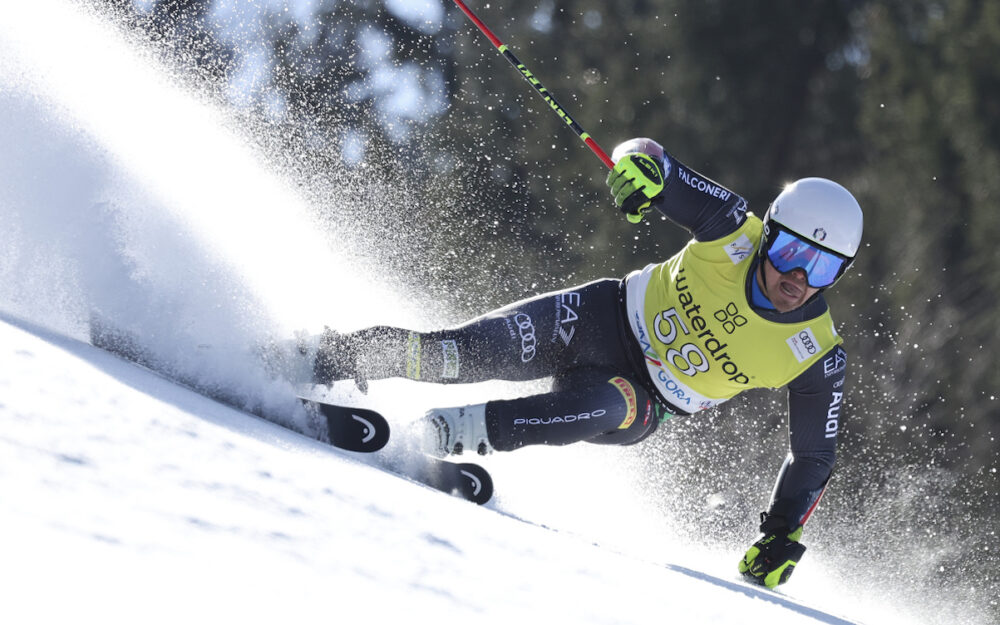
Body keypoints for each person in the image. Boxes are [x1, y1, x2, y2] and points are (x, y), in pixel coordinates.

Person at [306, 137, 862, 589]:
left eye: (824, 268)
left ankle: (430, 437)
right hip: (594, 317)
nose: (799, 278)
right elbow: (650, 156)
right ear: (769, 236)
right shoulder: (731, 230)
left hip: (645, 401)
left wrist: (780, 533)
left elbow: (814, 454)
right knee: (456, 353)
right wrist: (635, 169)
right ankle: (323, 357)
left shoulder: (815, 353)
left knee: (603, 402)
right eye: (792, 252)